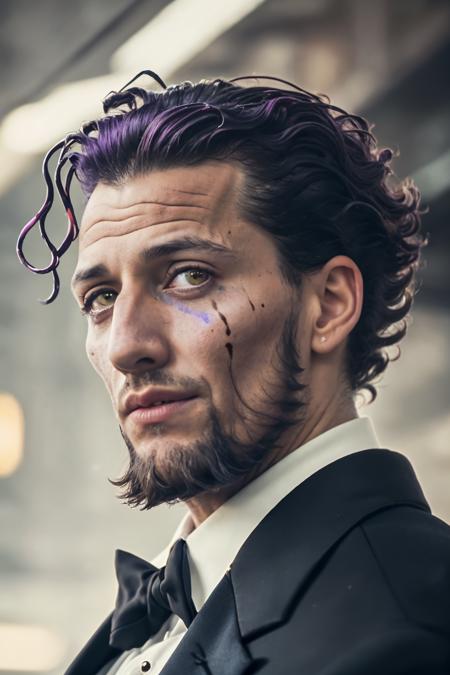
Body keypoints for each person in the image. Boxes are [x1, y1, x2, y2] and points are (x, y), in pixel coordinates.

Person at [18, 71, 450, 674]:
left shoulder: (407, 629)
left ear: (329, 304)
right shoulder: (162, 612)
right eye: (101, 298)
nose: (125, 345)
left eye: (189, 275)